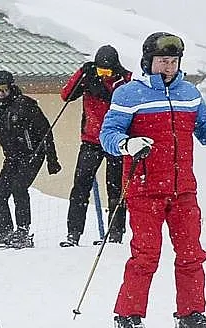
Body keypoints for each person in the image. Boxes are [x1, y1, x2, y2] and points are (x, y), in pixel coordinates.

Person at [99, 32, 206, 328]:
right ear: (148, 61)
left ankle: (190, 316)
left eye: (173, 61)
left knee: (191, 254)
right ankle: (127, 317)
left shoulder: (189, 93)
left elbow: (203, 128)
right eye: (163, 61)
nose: (168, 67)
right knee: (146, 255)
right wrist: (127, 144)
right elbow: (109, 134)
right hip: (145, 186)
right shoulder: (128, 94)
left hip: (183, 188)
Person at [0, 70, 62, 248]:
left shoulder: (26, 105)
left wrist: (52, 160)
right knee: (0, 194)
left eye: (4, 90)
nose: (1, 94)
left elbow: (45, 132)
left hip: (32, 155)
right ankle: (5, 232)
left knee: (19, 188)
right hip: (12, 157)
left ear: (12, 87)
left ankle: (23, 231)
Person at [59, 45, 132, 247]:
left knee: (116, 189)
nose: (104, 76)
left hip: (117, 142)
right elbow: (66, 95)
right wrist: (82, 71)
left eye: (107, 72)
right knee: (80, 187)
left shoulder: (126, 80)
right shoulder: (88, 76)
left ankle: (115, 234)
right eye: (100, 71)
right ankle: (73, 233)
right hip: (90, 140)